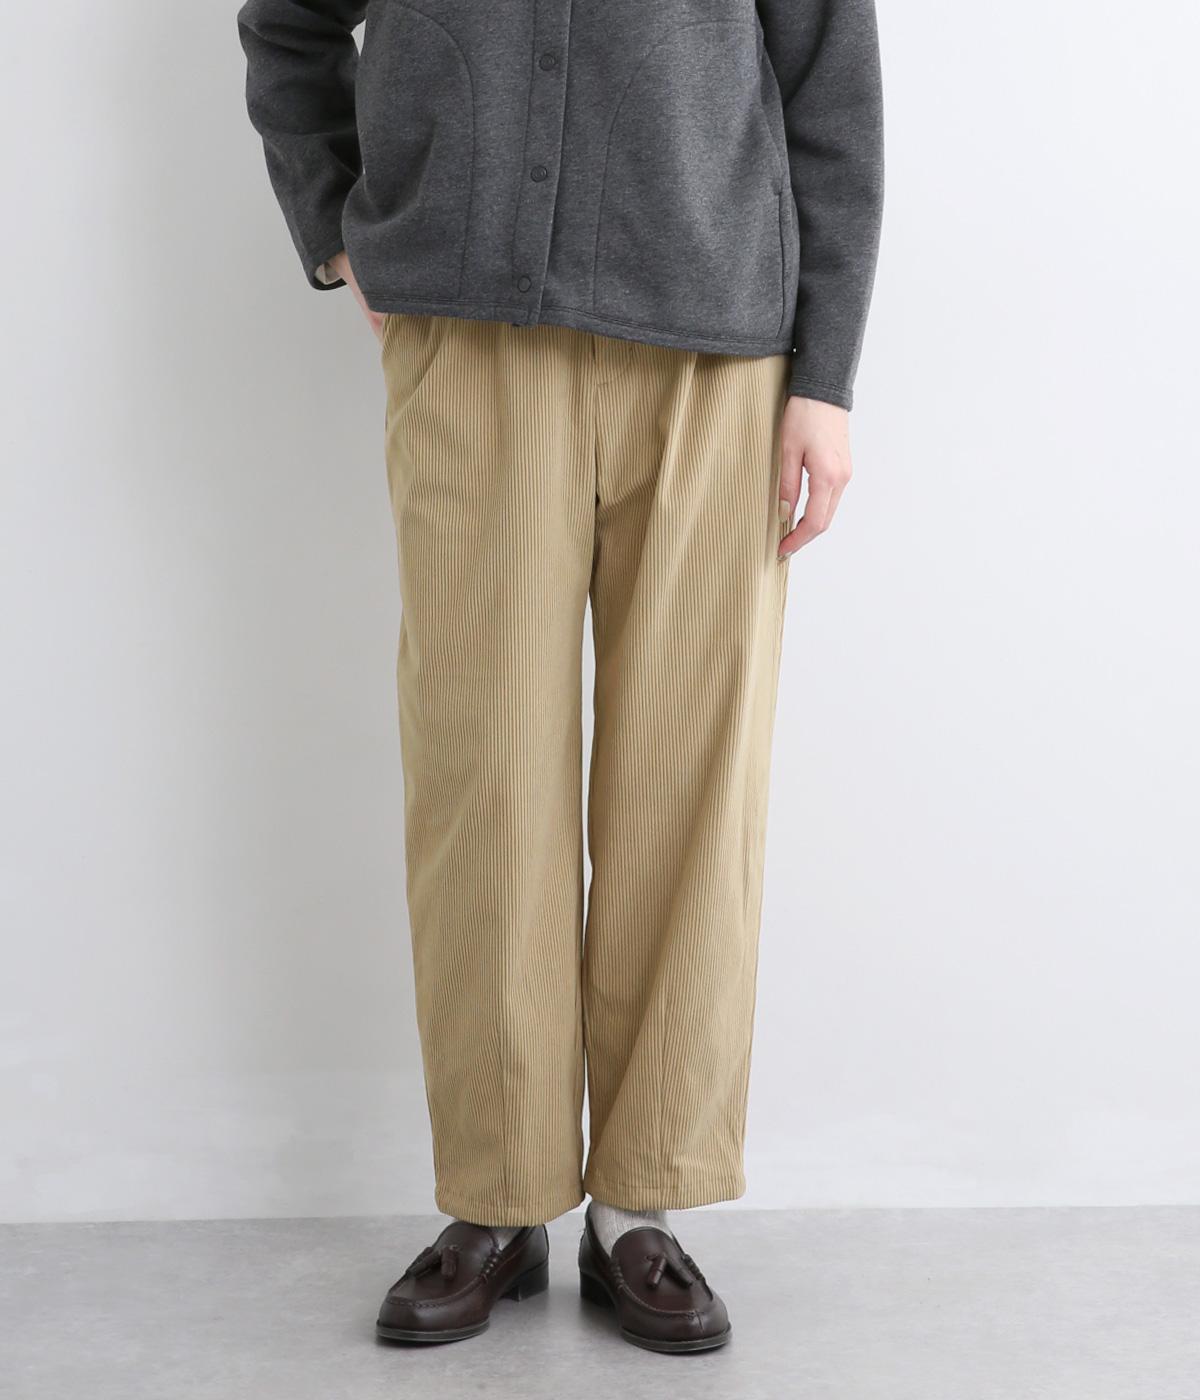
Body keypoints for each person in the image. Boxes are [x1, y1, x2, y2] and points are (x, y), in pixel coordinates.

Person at [238, 0, 883, 1355]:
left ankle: (642, 1204)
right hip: (469, 339)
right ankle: (497, 1198)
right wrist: (340, 231)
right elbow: (287, 23)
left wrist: (825, 377)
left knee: (688, 786)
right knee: (482, 780)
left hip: (718, 351)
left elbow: (830, 83)